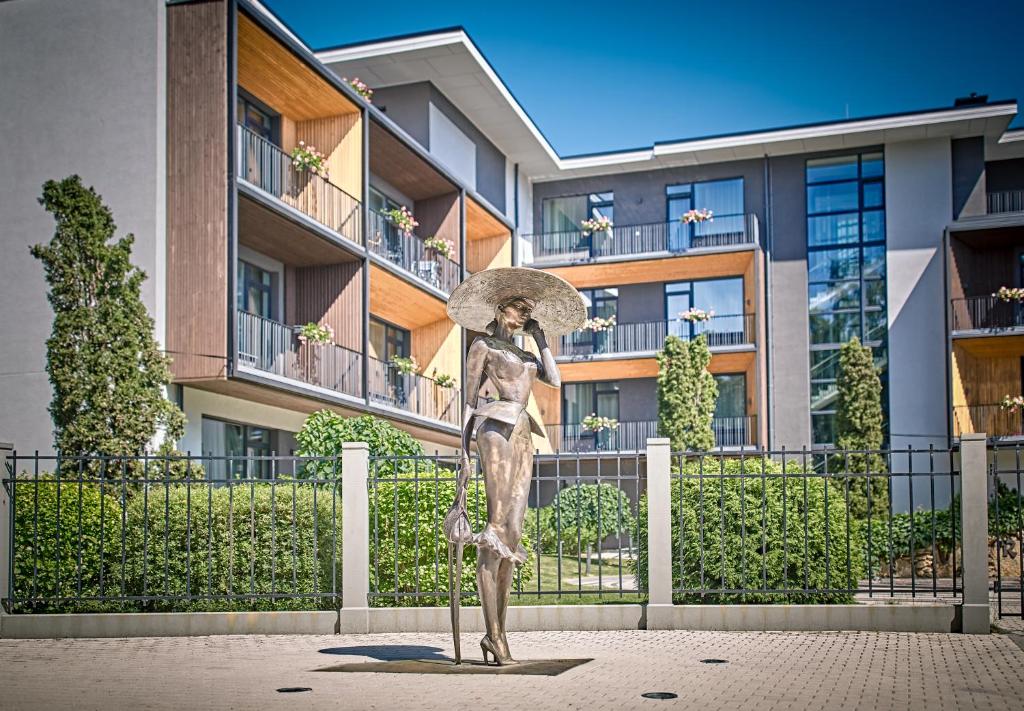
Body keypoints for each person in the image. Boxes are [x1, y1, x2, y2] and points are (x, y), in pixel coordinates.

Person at [444, 268, 584, 666]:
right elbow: (469, 400)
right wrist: (464, 451)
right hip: (494, 429)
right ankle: (494, 634)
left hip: (523, 430)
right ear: (501, 307)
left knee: (514, 532)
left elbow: (554, 379)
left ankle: (498, 634)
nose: (524, 314)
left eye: (529, 310)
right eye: (519, 308)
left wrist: (540, 340)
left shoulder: (525, 353)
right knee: (496, 527)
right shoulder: (483, 345)